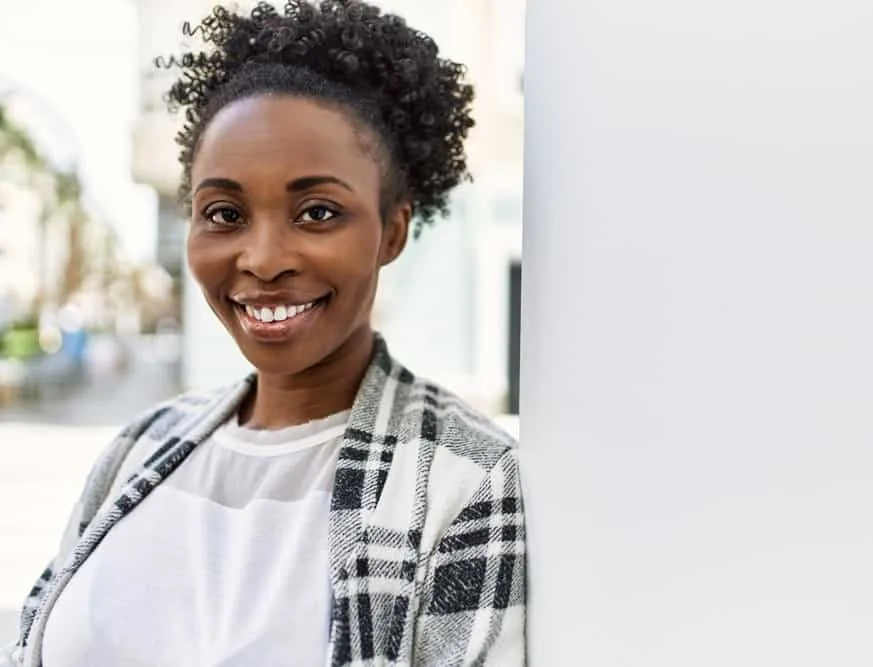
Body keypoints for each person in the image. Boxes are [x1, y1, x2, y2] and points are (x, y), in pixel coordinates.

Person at [1, 2, 526, 665]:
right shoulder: (139, 447)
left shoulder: (463, 479)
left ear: (392, 230)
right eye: (224, 212)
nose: (263, 257)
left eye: (317, 212)